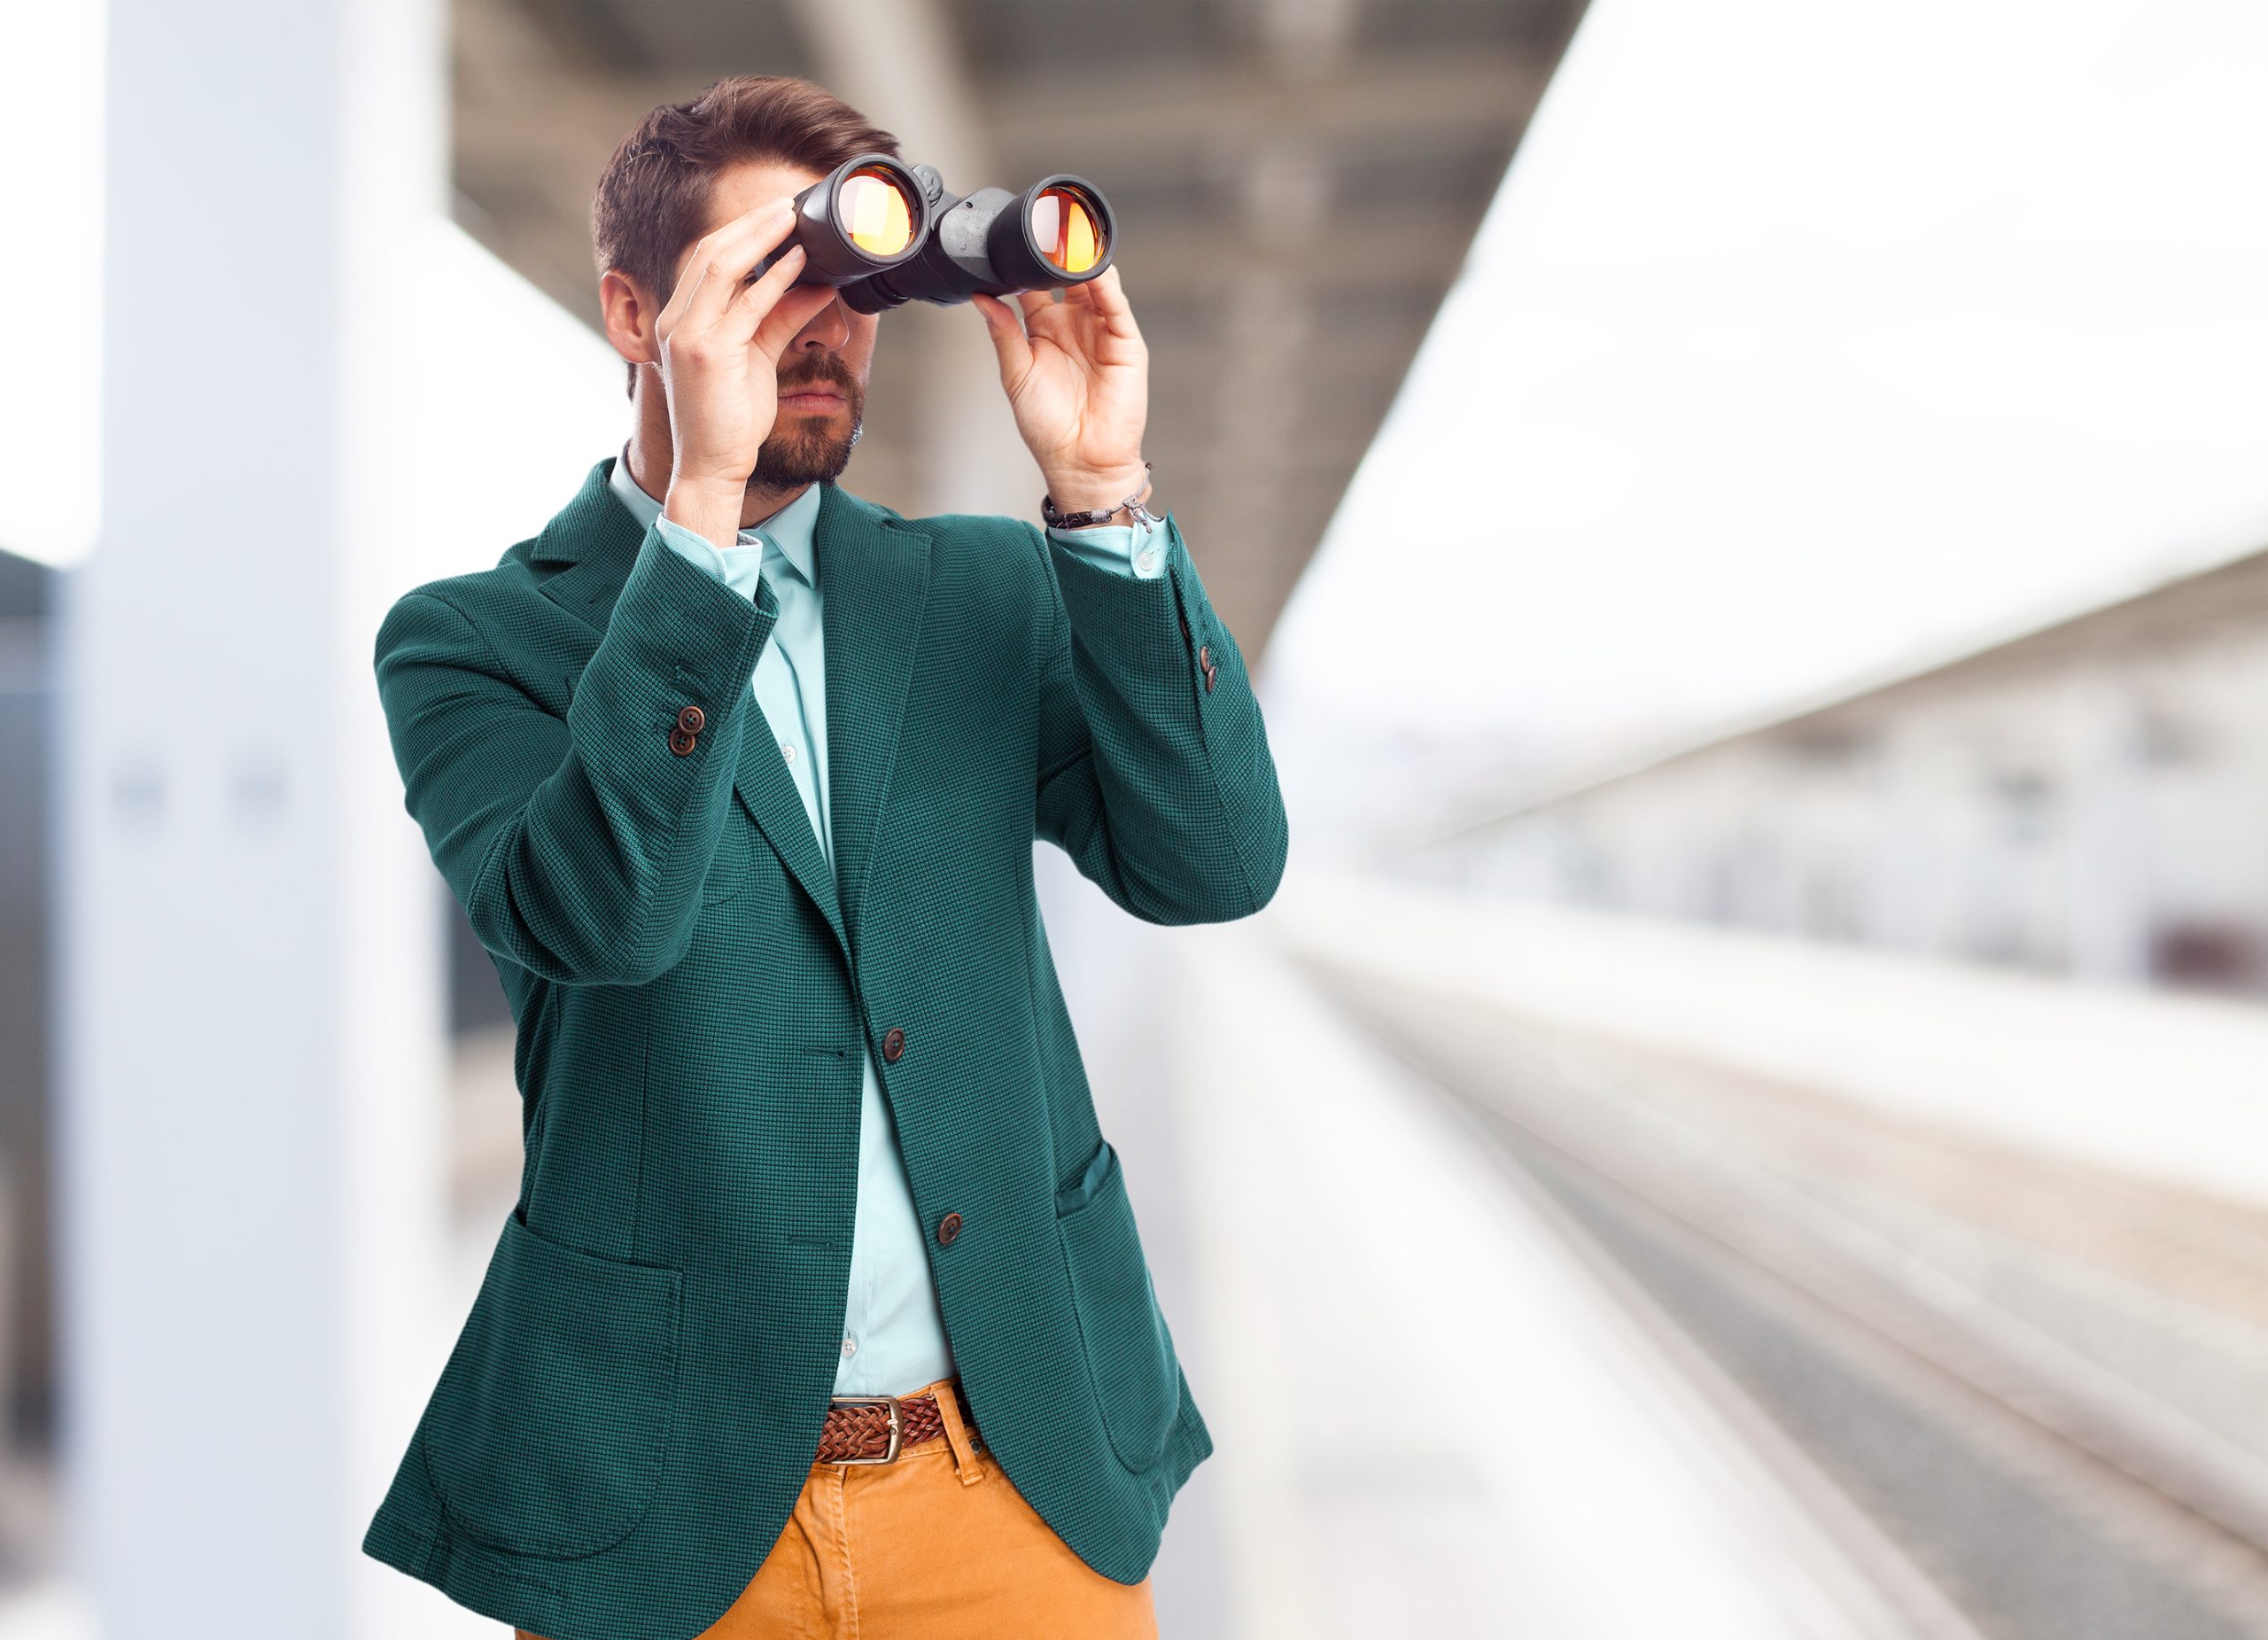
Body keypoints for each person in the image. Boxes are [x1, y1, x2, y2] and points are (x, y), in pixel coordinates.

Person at [358, 74, 1288, 1640]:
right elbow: (601, 921)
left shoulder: (983, 592)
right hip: (672, 1511)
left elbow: (1215, 861)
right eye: (772, 275)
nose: (828, 326)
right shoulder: (477, 641)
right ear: (635, 312)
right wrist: (705, 520)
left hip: (1018, 1483)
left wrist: (1103, 491)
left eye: (857, 286)